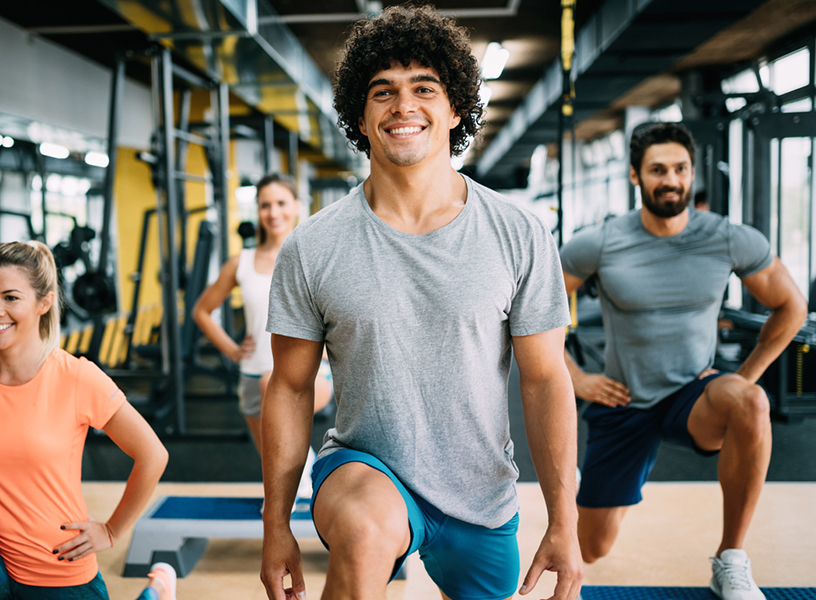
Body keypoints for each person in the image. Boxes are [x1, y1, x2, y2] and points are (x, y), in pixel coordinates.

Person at [259, 6, 583, 600]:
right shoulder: (314, 245)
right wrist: (274, 522)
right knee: (363, 535)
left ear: (456, 106)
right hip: (363, 470)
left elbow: (544, 381)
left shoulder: (518, 233)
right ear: (360, 114)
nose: (402, 106)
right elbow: (289, 386)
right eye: (382, 92)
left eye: (423, 88)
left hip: (480, 494)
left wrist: (564, 519)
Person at [559, 123, 808, 600]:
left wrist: (743, 379)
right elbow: (533, 311)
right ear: (636, 175)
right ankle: (591, 483)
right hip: (623, 397)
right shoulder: (599, 243)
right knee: (592, 547)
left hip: (695, 394)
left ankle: (731, 558)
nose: (670, 180)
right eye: (657, 170)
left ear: (691, 173)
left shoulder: (729, 238)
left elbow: (791, 306)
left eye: (680, 169)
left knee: (751, 403)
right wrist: (577, 379)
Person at [0, 241, 168, 600]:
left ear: (44, 303)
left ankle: (156, 593)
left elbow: (153, 455)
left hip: (56, 564)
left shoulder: (76, 377)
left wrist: (111, 531)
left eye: (11, 297)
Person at [192, 174, 331, 493]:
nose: (273, 212)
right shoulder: (241, 263)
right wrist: (232, 349)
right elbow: (202, 311)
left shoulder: (315, 257)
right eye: (265, 205)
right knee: (272, 459)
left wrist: (329, 348)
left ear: (296, 206)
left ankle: (306, 490)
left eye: (281, 203)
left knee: (283, 452)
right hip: (251, 375)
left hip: (308, 374)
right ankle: (298, 492)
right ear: (257, 211)